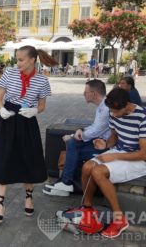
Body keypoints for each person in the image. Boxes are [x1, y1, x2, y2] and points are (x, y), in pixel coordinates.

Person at [0, 45, 58, 223]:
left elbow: (42, 105)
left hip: (27, 120)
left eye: (21, 60)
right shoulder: (10, 73)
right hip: (8, 118)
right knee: (4, 157)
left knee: (29, 158)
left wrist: (35, 111)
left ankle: (28, 196)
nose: (17, 63)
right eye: (17, 59)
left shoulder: (42, 81)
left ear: (32, 60)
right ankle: (0, 204)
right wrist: (1, 108)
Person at [81, 88, 146, 238]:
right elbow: (114, 137)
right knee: (87, 167)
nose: (113, 114)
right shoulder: (113, 111)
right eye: (111, 111)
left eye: (117, 111)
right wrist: (105, 144)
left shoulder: (142, 117)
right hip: (119, 151)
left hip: (139, 159)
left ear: (128, 105)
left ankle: (119, 219)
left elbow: (143, 154)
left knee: (98, 171)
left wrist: (115, 156)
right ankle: (87, 208)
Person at [43, 79, 110, 197]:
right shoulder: (102, 106)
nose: (83, 94)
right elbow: (94, 127)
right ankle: (65, 184)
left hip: (105, 146)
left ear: (94, 94)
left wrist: (74, 135)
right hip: (98, 142)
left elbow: (96, 130)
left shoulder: (106, 108)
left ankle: (65, 183)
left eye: (85, 92)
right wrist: (80, 131)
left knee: (73, 145)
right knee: (73, 147)